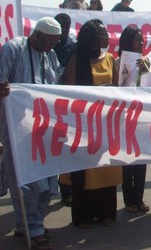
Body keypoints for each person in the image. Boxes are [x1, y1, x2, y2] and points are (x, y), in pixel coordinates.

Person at [0, 17, 62, 250]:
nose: (53, 47)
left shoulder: (51, 55)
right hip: (18, 127)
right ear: (38, 36)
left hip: (44, 127)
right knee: (26, 179)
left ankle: (30, 222)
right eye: (51, 42)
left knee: (46, 178)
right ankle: (30, 226)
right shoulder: (13, 49)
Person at [62, 19, 122, 228]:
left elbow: (119, 88)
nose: (107, 37)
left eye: (106, 34)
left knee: (105, 168)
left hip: (105, 124)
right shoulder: (76, 60)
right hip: (83, 124)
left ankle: (106, 213)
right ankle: (84, 216)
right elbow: (68, 92)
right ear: (92, 38)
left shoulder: (110, 59)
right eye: (103, 34)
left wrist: (108, 91)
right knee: (85, 171)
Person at [113, 26, 150, 213]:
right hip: (124, 117)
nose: (141, 43)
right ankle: (129, 200)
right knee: (127, 161)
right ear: (128, 42)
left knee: (141, 160)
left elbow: (148, 86)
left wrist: (144, 71)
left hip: (141, 117)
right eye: (137, 39)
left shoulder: (145, 61)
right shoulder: (117, 62)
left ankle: (139, 198)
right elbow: (116, 88)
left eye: (142, 40)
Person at [53, 13, 76, 206]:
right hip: (48, 103)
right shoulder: (50, 43)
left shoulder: (72, 47)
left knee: (66, 147)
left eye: (65, 25)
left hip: (66, 103)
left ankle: (66, 190)